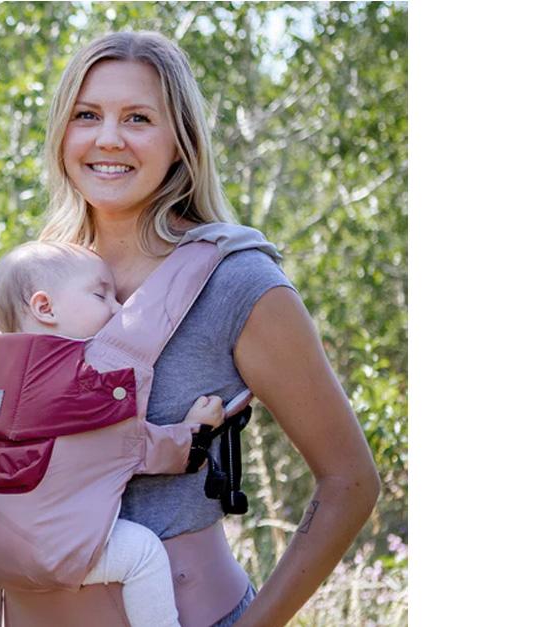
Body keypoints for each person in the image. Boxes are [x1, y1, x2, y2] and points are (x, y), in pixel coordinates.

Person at [25, 31, 381, 626]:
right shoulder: (37, 276)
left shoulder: (236, 281)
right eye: (87, 115)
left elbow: (350, 482)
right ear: (63, 131)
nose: (107, 138)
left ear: (181, 144)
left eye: (137, 118)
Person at [0, 239, 228, 627]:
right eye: (102, 295)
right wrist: (194, 432)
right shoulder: (83, 382)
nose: (117, 310)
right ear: (45, 307)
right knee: (144, 554)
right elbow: (136, 448)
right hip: (50, 551)